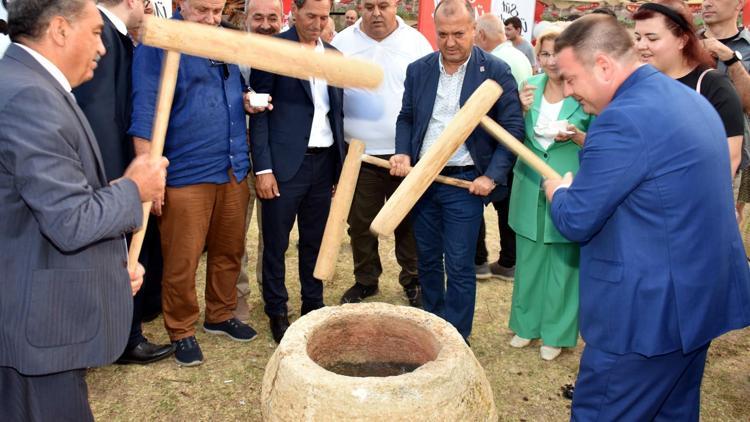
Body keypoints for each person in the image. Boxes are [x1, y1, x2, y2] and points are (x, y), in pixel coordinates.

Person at [545, 14, 750, 420]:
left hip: (644, 319)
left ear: (603, 65)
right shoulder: (687, 95)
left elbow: (576, 219)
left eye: (570, 78)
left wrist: (559, 192)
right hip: (694, 305)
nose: (568, 93)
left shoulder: (622, 119)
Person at [0, 0, 168, 418]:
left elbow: (46, 204)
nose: (103, 47)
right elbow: (69, 221)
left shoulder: (30, 83)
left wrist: (109, 273)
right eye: (95, 33)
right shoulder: (29, 97)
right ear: (59, 29)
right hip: (36, 333)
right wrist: (133, 188)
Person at [130, 0, 259, 367]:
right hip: (186, 170)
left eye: (217, 11)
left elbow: (232, 89)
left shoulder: (223, 40)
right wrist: (149, 173)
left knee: (229, 249)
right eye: (202, 10)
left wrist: (246, 100)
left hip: (232, 166)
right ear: (180, 3)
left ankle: (220, 313)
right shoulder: (159, 41)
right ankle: (181, 329)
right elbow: (144, 110)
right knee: (182, 258)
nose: (211, 19)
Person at [393, 0, 524, 342]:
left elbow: (512, 127)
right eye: (443, 34)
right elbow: (406, 117)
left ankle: (456, 338)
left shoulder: (494, 70)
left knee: (460, 265)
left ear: (474, 30)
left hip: (465, 182)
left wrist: (491, 175)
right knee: (428, 261)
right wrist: (403, 153)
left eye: (459, 34)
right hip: (423, 179)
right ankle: (432, 331)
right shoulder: (419, 69)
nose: (450, 42)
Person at [72, 0, 173, 365]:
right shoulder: (106, 39)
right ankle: (124, 339)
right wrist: (119, 180)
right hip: (114, 174)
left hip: (120, 171)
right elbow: (101, 114)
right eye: (145, 3)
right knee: (123, 255)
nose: (147, 9)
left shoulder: (116, 37)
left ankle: (126, 330)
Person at [249, 0, 345, 344]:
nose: (318, 23)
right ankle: (277, 309)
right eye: (311, 16)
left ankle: (313, 306)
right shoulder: (275, 49)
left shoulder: (334, 55)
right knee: (275, 243)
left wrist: (338, 168)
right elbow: (259, 112)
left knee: (314, 242)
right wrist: (263, 168)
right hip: (284, 166)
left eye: (323, 17)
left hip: (324, 164)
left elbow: (337, 114)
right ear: (295, 14)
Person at [332, 0, 432, 307]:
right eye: (370, 6)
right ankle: (366, 280)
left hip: (404, 154)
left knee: (408, 221)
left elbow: (428, 96)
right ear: (360, 7)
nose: (376, 13)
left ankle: (412, 279)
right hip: (358, 156)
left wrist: (415, 151)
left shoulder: (416, 42)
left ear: (397, 6)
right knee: (360, 224)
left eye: (384, 5)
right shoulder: (342, 42)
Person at [507, 30, 592, 361]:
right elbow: (512, 133)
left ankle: (557, 334)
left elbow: (603, 142)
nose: (551, 60)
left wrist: (579, 136)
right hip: (529, 183)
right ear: (537, 57)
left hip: (569, 182)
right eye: (545, 54)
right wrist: (518, 110)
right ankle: (525, 326)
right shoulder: (528, 88)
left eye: (558, 53)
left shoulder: (584, 91)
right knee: (528, 259)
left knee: (563, 264)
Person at [633, 0, 743, 176]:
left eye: (652, 38)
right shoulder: (638, 86)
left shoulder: (712, 85)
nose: (641, 45)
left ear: (682, 40)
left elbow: (729, 159)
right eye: (638, 37)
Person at [233, 0, 284, 323]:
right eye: (258, 17)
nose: (266, 24)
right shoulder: (233, 52)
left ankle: (272, 292)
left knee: (274, 234)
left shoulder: (289, 54)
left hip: (276, 159)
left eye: (272, 18)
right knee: (235, 233)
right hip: (237, 156)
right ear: (246, 18)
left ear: (282, 19)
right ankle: (238, 297)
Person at [473, 12, 532, 280]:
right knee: (507, 208)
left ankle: (479, 261)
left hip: (493, 145)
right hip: (516, 144)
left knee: (475, 202)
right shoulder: (520, 55)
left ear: (481, 35)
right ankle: (508, 261)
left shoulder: (494, 63)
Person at [701, 0, 750, 224]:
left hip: (738, 159)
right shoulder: (683, 43)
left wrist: (730, 59)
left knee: (732, 228)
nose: (707, 3)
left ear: (740, 4)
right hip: (685, 154)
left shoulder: (747, 47)